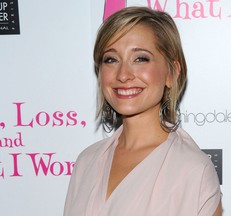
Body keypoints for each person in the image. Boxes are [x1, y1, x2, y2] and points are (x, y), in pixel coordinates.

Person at [64, 6, 222, 216]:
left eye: (140, 58)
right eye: (111, 59)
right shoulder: (87, 162)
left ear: (171, 73)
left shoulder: (193, 170)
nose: (123, 74)